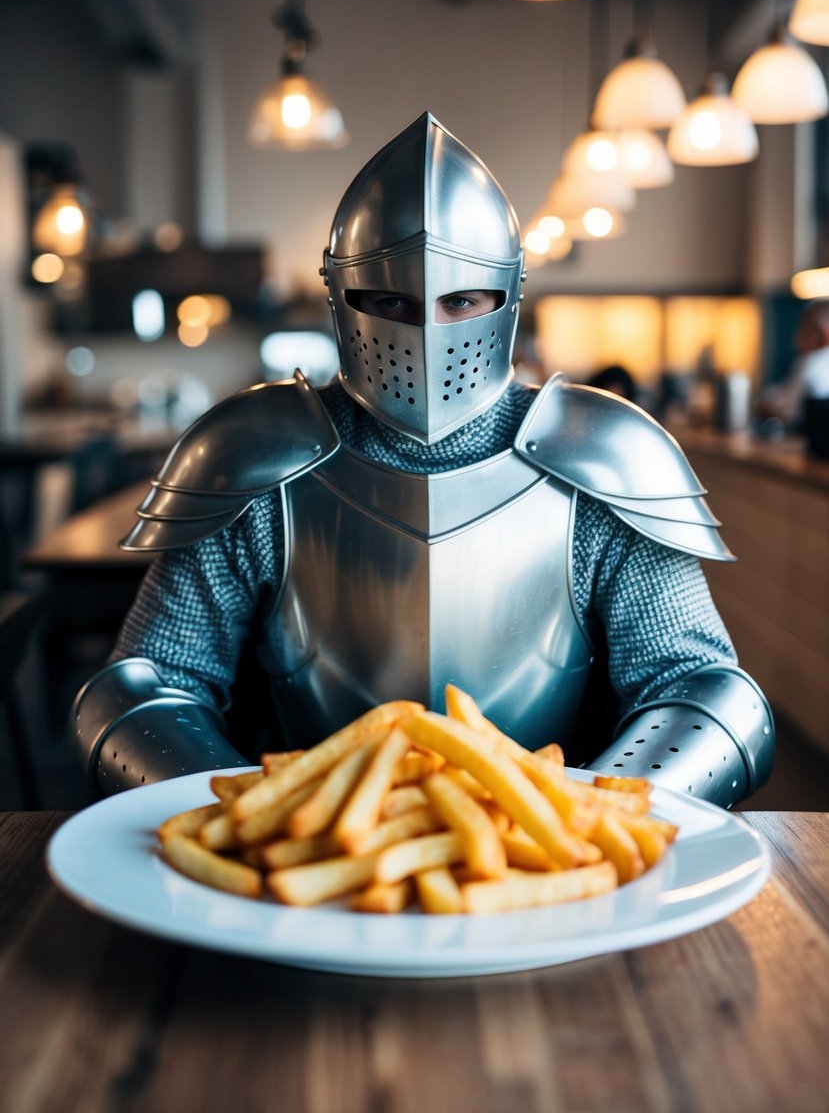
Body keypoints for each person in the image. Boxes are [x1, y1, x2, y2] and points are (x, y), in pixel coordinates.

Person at [73, 112, 774, 808]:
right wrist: (246, 821)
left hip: (550, 864)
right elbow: (148, 683)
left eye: (461, 301)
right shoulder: (254, 454)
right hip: (306, 867)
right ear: (341, 298)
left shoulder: (602, 457)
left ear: (507, 298)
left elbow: (700, 687)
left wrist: (592, 818)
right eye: (391, 302)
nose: (425, 338)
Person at [756, 300, 829, 428]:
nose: (797, 337)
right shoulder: (805, 361)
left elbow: (787, 412)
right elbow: (779, 393)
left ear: (825, 333)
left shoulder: (813, 362)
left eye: (805, 331)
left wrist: (769, 406)